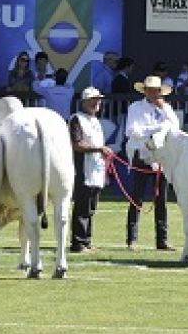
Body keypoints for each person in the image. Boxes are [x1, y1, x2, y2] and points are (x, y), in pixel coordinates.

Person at [125, 75, 181, 251]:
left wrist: (163, 109)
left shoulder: (167, 108)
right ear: (145, 91)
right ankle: (132, 239)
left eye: (156, 90)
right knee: (137, 197)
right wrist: (156, 129)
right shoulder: (136, 107)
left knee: (161, 199)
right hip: (142, 154)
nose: (154, 93)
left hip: (161, 157)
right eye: (150, 90)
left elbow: (175, 128)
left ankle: (162, 240)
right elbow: (132, 130)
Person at [69, 87, 111, 253]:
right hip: (83, 168)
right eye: (93, 100)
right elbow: (77, 144)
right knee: (82, 206)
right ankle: (78, 242)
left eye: (98, 100)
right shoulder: (77, 119)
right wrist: (99, 149)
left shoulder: (95, 121)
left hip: (96, 169)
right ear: (85, 102)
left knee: (91, 207)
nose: (97, 103)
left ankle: (86, 240)